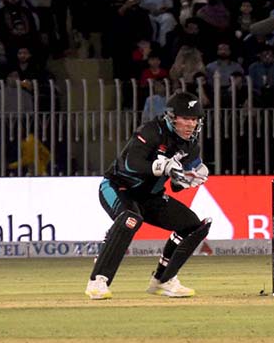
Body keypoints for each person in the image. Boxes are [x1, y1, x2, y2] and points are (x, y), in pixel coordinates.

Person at [85, 92, 211, 300]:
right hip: (119, 187)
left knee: (193, 226)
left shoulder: (190, 146)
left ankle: (163, 281)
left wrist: (186, 180)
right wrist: (163, 166)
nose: (191, 124)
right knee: (130, 219)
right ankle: (98, 281)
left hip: (151, 197)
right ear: (172, 117)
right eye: (186, 118)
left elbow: (177, 185)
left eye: (195, 119)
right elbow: (131, 164)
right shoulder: (151, 131)